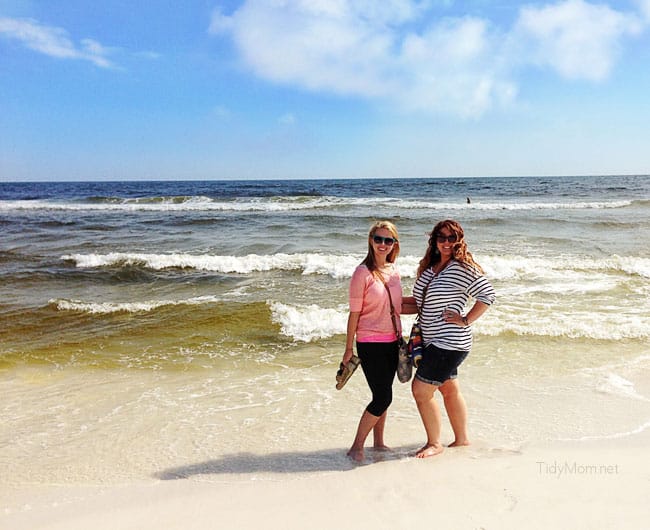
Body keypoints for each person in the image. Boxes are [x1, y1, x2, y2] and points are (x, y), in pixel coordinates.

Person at [410, 219, 495, 458]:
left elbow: (488, 295)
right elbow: (419, 304)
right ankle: (462, 440)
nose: (446, 242)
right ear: (434, 241)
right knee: (449, 390)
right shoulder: (430, 268)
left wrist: (466, 319)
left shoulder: (462, 267)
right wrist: (383, 303)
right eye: (441, 237)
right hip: (432, 341)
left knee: (420, 391)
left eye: (451, 238)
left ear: (459, 241)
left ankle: (434, 443)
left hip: (450, 342)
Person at [342, 220, 403, 462]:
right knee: (382, 397)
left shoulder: (394, 271)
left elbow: (396, 306)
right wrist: (348, 349)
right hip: (370, 343)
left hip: (393, 341)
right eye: (378, 239)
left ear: (394, 244)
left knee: (385, 392)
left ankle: (379, 443)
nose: (383, 244)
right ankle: (357, 446)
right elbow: (354, 312)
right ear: (371, 240)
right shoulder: (362, 273)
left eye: (388, 240)